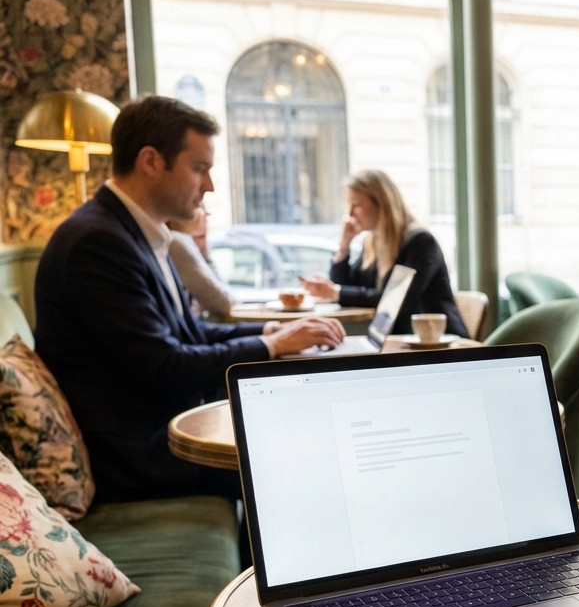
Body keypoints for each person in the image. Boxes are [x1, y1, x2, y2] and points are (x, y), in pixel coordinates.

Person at [34, 95, 345, 503]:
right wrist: (272, 346)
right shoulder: (98, 243)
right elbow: (165, 365)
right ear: (150, 161)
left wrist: (273, 330)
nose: (210, 185)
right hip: (135, 459)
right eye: (200, 169)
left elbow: (190, 333)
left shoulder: (132, 233)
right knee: (309, 462)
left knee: (302, 434)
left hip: (153, 436)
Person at [299, 169, 467, 338]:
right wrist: (344, 246)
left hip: (439, 343)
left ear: (382, 203)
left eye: (356, 205)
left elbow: (394, 300)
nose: (350, 214)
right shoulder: (372, 242)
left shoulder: (420, 242)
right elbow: (348, 285)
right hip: (399, 341)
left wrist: (336, 292)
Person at [167, 202, 236, 317]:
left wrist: (204, 253)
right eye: (199, 206)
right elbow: (223, 303)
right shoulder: (176, 243)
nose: (206, 214)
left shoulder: (181, 244)